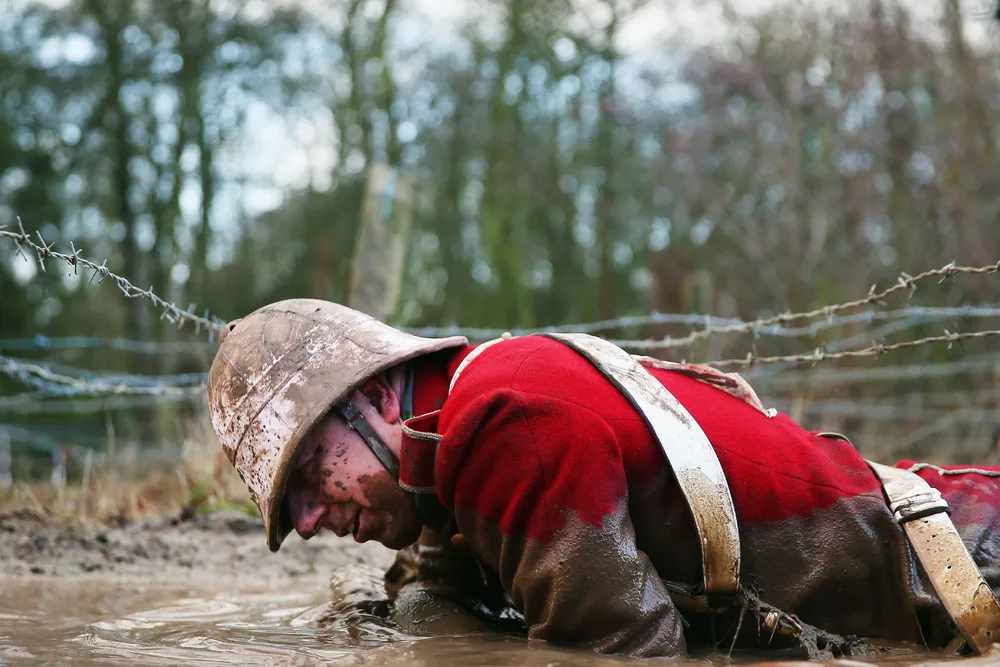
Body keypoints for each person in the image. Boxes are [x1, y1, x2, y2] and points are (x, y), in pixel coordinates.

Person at [206, 298, 1000, 659]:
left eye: (311, 475)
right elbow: (438, 598)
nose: (308, 520)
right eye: (292, 510)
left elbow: (622, 651)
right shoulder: (457, 447)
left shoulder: (499, 424)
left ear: (376, 397)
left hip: (968, 560)